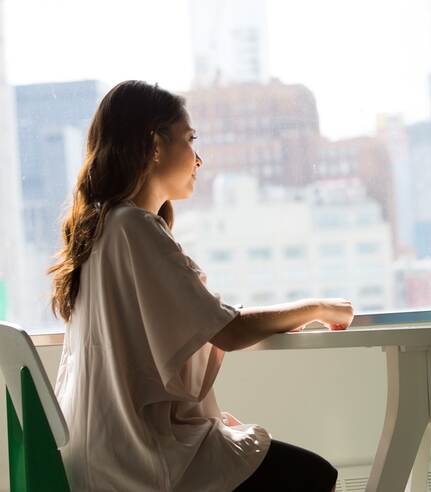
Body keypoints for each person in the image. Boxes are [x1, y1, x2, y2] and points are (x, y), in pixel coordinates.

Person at [49, 80, 353, 492]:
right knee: (315, 476)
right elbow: (227, 329)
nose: (199, 158)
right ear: (155, 145)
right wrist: (317, 307)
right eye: (190, 140)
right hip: (138, 459)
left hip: (99, 454)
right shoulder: (133, 227)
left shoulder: (103, 229)